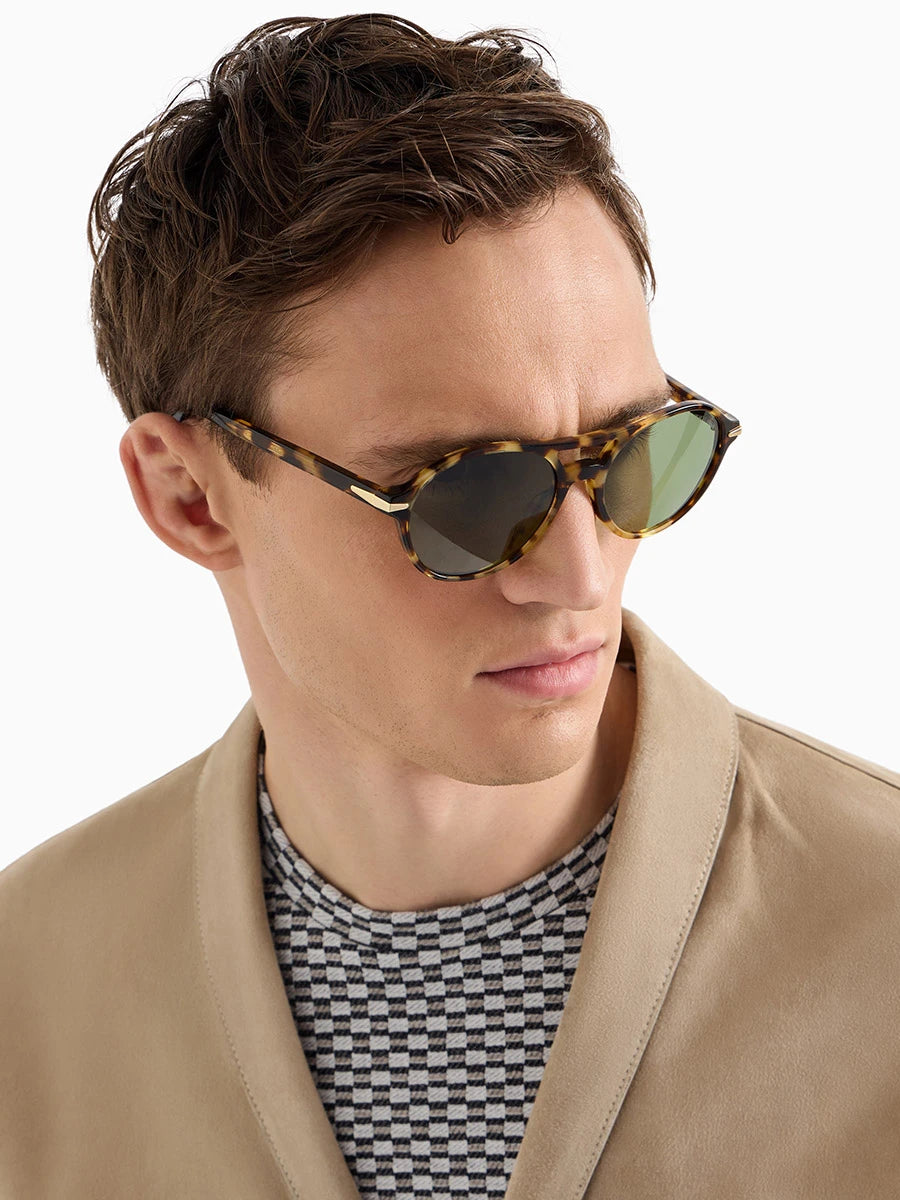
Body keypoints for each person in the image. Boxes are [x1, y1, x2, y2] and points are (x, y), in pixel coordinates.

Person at [1, 14, 897, 1199]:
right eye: (467, 494)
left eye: (638, 457)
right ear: (190, 496)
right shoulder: (28, 994)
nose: (581, 575)